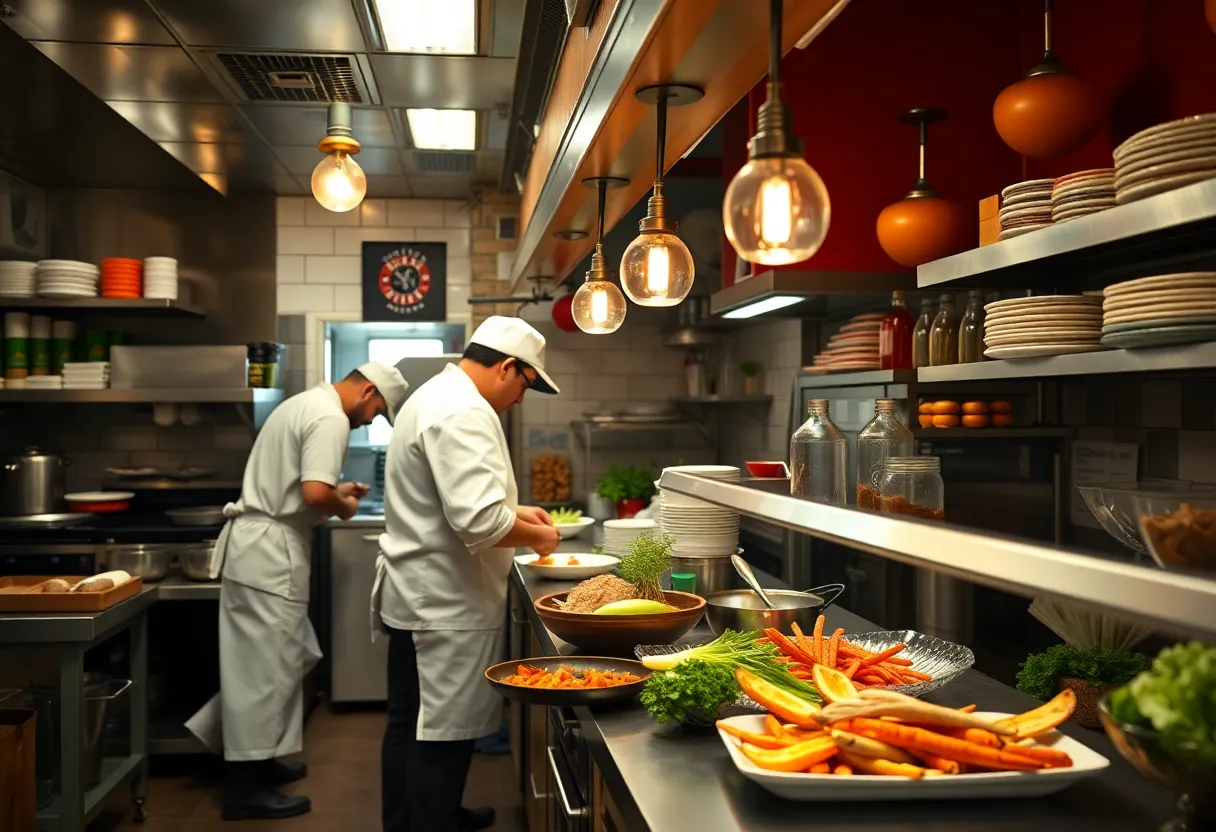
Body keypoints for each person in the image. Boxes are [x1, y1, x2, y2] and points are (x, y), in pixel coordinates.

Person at [186, 363, 409, 821]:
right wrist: (343, 504)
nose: (371, 420)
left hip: (262, 548)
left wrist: (336, 490)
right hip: (269, 554)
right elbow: (311, 493)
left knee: (284, 657)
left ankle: (257, 760)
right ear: (367, 389)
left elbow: (301, 484)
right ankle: (245, 787)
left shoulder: (304, 404)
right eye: (377, 411)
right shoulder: (329, 417)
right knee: (263, 668)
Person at [373, 316, 562, 832]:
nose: (522, 399)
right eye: (526, 384)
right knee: (441, 733)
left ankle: (419, 819)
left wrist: (519, 516)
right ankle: (430, 823)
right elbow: (479, 521)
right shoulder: (463, 411)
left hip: (422, 596)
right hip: (443, 605)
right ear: (507, 366)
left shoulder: (438, 395)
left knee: (412, 724)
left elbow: (455, 505)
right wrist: (542, 538)